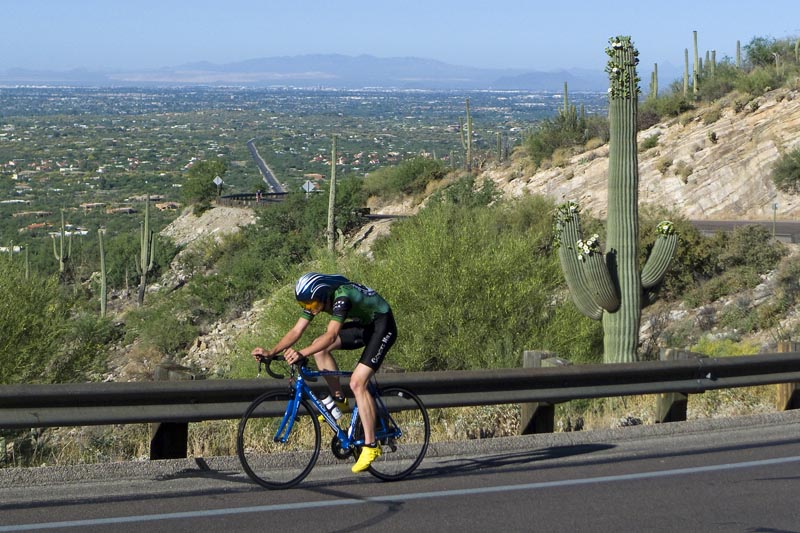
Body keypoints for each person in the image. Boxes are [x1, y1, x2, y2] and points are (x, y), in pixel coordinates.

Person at [251, 272, 397, 473]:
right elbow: (296, 331)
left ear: (321, 295)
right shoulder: (318, 299)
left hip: (383, 326)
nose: (308, 309)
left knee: (357, 382)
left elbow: (331, 336)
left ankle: (371, 446)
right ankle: (339, 400)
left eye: (310, 304)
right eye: (304, 306)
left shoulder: (342, 296)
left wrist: (301, 353)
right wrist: (271, 351)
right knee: (318, 349)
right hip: (366, 325)